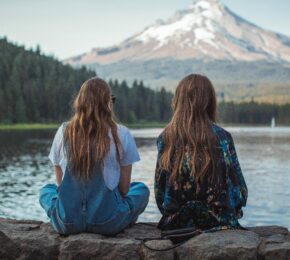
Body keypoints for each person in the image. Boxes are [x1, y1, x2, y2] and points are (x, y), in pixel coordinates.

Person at [39, 77, 149, 235]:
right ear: (108, 103)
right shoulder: (122, 133)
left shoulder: (63, 131)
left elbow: (61, 185)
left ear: (80, 102)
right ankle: (127, 216)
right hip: (107, 222)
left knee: (46, 190)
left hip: (68, 223)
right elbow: (124, 190)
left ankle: (60, 216)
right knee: (141, 189)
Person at [154, 74, 248, 231]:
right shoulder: (223, 138)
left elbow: (159, 192)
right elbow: (240, 192)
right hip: (219, 222)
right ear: (210, 102)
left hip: (176, 224)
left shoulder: (165, 138)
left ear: (178, 101)